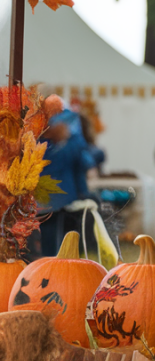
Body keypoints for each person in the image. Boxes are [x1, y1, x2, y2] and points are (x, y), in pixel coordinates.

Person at [38, 110, 96, 257]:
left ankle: (53, 263)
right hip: (56, 197)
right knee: (55, 234)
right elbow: (85, 163)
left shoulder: (51, 143)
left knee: (54, 235)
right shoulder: (70, 143)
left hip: (54, 197)